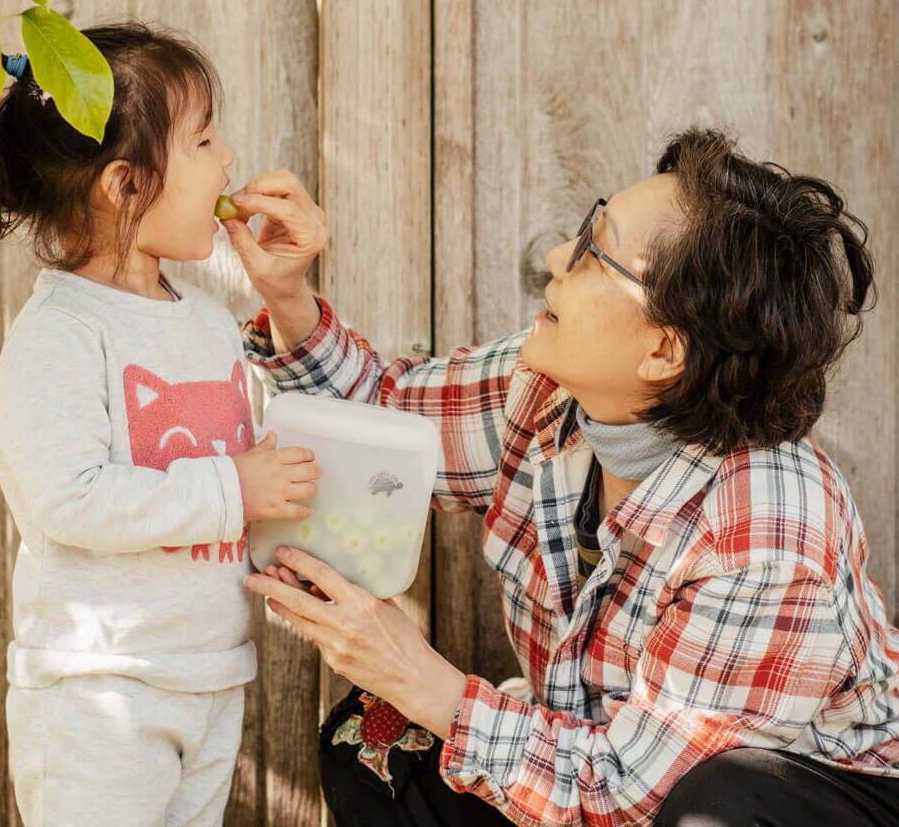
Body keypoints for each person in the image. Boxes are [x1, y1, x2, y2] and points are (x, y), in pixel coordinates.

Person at [222, 130, 899, 827]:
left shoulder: (766, 534)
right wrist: (287, 295)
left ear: (664, 349)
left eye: (592, 250)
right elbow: (386, 421)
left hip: (787, 803)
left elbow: (635, 800)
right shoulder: (548, 385)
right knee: (371, 740)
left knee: (713, 810)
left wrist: (426, 683)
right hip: (597, 767)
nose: (555, 258)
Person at [0, 21, 322, 827]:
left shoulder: (212, 323)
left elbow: (226, 484)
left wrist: (278, 505)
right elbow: (67, 499)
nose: (226, 161)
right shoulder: (62, 335)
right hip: (98, 693)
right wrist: (233, 485)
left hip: (209, 674)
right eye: (205, 138)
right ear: (125, 185)